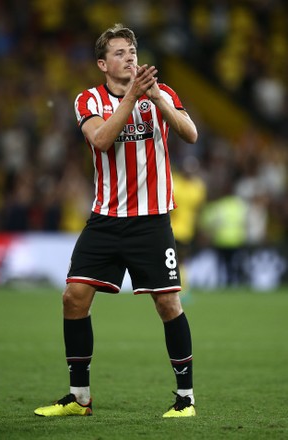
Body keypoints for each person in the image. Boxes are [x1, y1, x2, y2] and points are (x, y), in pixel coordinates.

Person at [34, 23, 198, 418]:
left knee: (168, 303)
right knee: (73, 298)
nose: (130, 58)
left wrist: (155, 96)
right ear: (102, 63)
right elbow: (102, 139)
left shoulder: (160, 94)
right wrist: (133, 98)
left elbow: (189, 133)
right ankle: (79, 397)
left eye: (133, 51)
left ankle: (186, 399)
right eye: (121, 53)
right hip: (105, 220)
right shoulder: (87, 100)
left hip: (151, 221)